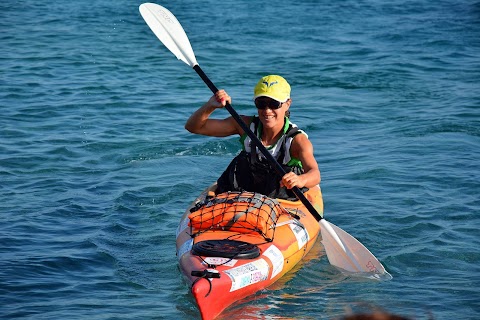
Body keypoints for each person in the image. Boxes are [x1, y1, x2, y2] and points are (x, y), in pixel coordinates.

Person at [185, 75, 320, 200]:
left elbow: (314, 173)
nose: (267, 110)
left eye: (274, 104)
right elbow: (194, 127)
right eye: (261, 103)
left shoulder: (297, 140)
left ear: (287, 104)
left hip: (281, 197)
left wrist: (300, 179)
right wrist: (210, 106)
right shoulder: (244, 125)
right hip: (246, 192)